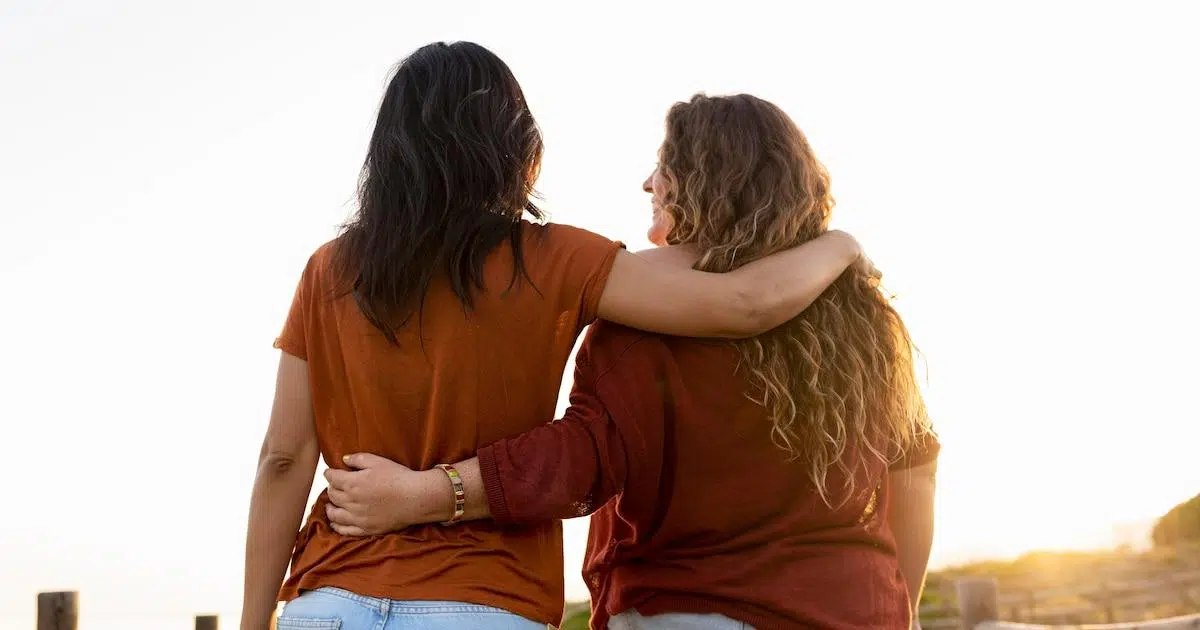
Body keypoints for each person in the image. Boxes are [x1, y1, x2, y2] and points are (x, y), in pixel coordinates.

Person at [241, 44, 869, 630]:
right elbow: (744, 300)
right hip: (485, 602)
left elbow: (284, 459)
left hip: (329, 598)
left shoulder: (329, 268)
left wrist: (252, 621)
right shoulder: (554, 260)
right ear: (516, 143)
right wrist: (838, 245)